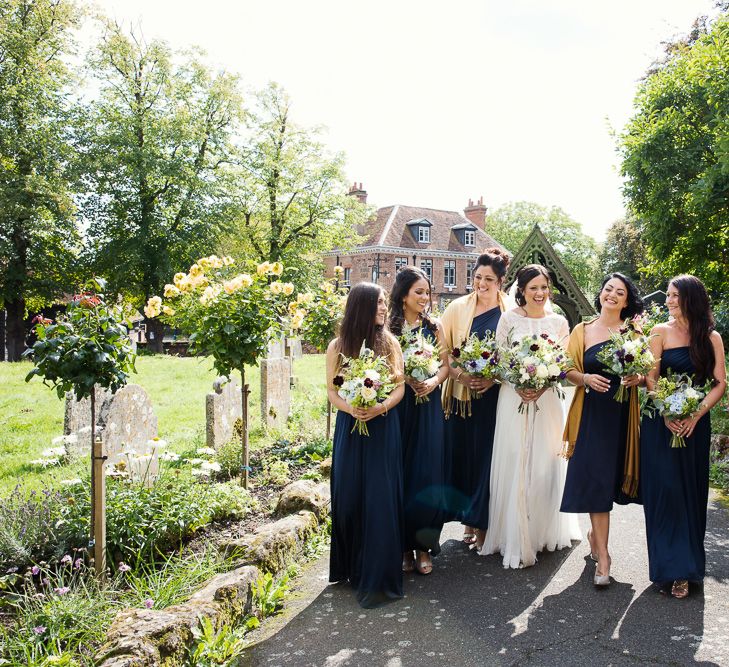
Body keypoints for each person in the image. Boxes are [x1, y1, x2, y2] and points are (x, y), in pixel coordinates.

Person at [480, 264, 580, 568]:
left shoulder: (560, 322)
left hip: (548, 399)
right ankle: (515, 534)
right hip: (513, 398)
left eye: (544, 287)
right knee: (515, 460)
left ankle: (541, 530)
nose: (540, 293)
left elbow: (563, 363)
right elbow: (499, 360)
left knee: (543, 464)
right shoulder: (508, 319)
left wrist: (542, 384)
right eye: (533, 287)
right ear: (521, 291)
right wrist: (518, 383)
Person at [641, 275, 726, 599]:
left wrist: (695, 413)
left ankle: (685, 570)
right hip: (660, 425)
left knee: (689, 494)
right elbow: (651, 378)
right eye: (669, 296)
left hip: (694, 425)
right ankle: (666, 567)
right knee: (664, 493)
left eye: (674, 296)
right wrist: (665, 411)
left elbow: (720, 382)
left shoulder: (711, 337)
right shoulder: (658, 332)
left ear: (690, 298)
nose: (668, 301)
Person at [560, 273, 645, 586]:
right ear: (601, 294)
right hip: (592, 416)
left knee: (609, 481)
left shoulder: (634, 332)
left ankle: (596, 535)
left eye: (619, 292)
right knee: (595, 480)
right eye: (608, 289)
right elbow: (566, 368)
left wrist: (637, 378)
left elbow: (646, 370)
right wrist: (584, 379)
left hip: (621, 415)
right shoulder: (581, 330)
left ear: (626, 301)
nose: (612, 295)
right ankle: (605, 557)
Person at [326, 282, 406, 607]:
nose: (385, 308)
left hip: (382, 427)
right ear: (361, 306)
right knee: (348, 497)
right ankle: (351, 567)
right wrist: (352, 407)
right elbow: (332, 391)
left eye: (385, 302)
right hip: (349, 427)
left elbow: (400, 389)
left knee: (379, 498)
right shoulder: (337, 346)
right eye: (379, 303)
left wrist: (377, 408)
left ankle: (378, 572)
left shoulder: (390, 344)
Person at [440, 248, 510, 549]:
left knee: (487, 461)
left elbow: (513, 355)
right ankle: (467, 519)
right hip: (460, 397)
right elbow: (443, 352)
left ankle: (483, 525)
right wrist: (461, 376)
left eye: (489, 279)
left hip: (495, 398)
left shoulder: (510, 313)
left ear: (501, 281)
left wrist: (492, 378)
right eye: (477, 277)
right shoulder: (456, 308)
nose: (481, 284)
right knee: (463, 458)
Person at [389, 266, 450, 575]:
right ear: (402, 295)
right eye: (419, 292)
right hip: (399, 408)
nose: (425, 298)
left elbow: (444, 366)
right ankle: (402, 546)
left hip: (427, 407)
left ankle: (425, 547)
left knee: (426, 474)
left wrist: (433, 382)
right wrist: (403, 379)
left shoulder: (434, 327)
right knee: (400, 473)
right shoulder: (388, 329)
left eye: (427, 292)